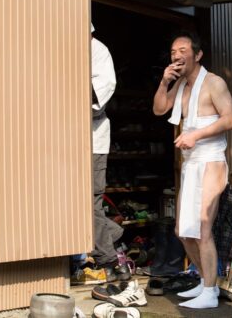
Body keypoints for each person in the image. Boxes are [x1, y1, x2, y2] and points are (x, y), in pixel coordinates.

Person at [152, 31, 232, 309]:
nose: (177, 55)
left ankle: (211, 292)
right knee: (183, 230)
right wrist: (165, 82)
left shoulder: (214, 82)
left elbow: (230, 119)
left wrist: (196, 135)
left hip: (211, 159)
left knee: (202, 227)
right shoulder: (181, 85)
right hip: (190, 162)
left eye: (183, 50)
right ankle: (204, 280)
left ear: (197, 55)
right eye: (173, 51)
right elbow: (159, 109)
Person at [89, 23, 131, 281]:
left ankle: (109, 261)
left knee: (90, 202)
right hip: (66, 143)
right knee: (78, 204)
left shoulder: (98, 51)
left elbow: (97, 99)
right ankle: (113, 234)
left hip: (93, 141)